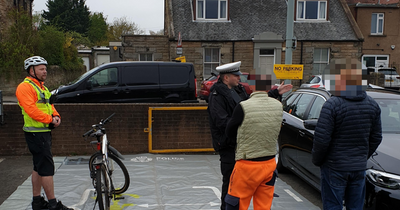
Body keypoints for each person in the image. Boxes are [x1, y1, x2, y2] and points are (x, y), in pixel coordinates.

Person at [207, 61, 292, 210]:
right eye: (236, 75)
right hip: (229, 148)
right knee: (230, 190)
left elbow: (252, 106)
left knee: (239, 194)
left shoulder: (238, 91)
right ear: (226, 78)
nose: (239, 78)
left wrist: (273, 93)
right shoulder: (216, 96)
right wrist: (247, 127)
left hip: (245, 149)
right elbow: (223, 123)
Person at [312, 58, 382, 210]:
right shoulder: (372, 104)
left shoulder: (332, 104)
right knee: (355, 206)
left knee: (333, 205)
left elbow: (322, 139)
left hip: (334, 166)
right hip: (358, 167)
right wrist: (362, 156)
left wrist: (317, 160)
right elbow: (376, 137)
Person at [16, 56, 73, 210]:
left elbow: (50, 105)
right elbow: (31, 110)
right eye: (41, 69)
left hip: (43, 131)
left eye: (45, 68)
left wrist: (56, 116)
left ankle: (37, 202)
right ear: (31, 70)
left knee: (38, 167)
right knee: (47, 168)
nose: (45, 71)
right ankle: (53, 204)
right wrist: (49, 119)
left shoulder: (42, 87)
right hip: (36, 133)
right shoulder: (25, 87)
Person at [224, 91, 283, 210]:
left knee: (237, 203)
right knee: (264, 205)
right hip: (269, 164)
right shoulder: (278, 105)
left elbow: (229, 131)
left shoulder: (243, 106)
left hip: (247, 165)